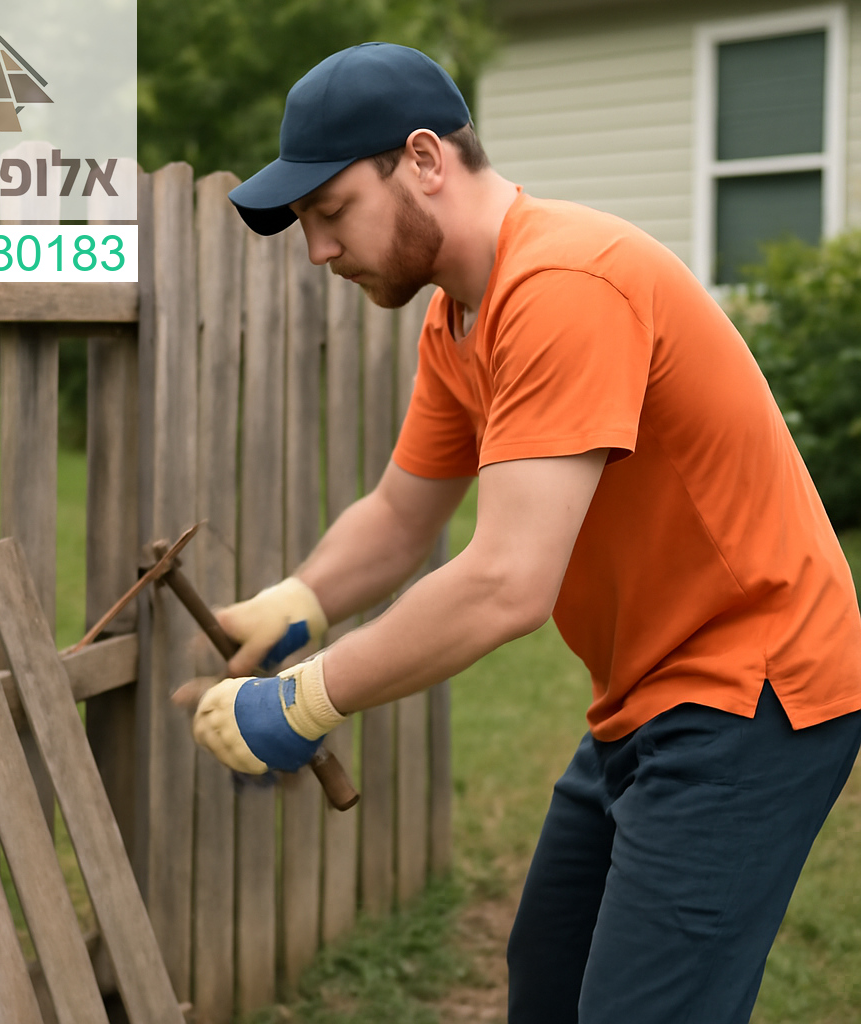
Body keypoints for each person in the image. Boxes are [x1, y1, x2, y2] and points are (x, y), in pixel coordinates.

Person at [191, 41, 861, 1023]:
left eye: (330, 213)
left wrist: (305, 699)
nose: (318, 251)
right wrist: (298, 603)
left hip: (753, 693)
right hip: (648, 690)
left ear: (423, 160)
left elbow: (506, 583)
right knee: (546, 971)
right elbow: (398, 513)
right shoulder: (460, 317)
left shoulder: (565, 286)